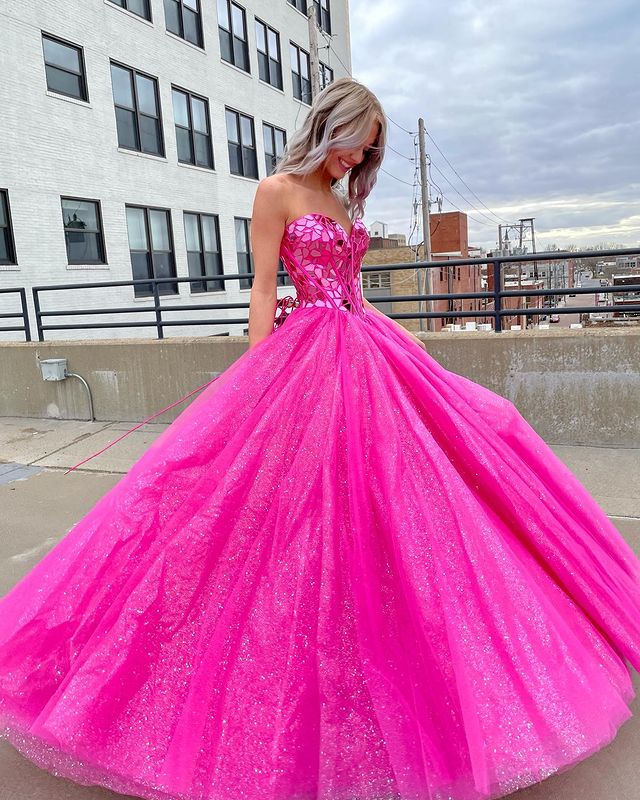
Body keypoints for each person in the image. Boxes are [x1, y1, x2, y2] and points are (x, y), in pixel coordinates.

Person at [0, 76, 639, 800]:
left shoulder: (344, 197)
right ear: (327, 127)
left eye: (367, 152)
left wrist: (414, 349)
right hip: (304, 359)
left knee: (419, 493)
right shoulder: (276, 191)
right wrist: (253, 383)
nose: (357, 160)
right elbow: (266, 290)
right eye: (352, 145)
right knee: (277, 526)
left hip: (365, 351)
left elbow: (356, 294)